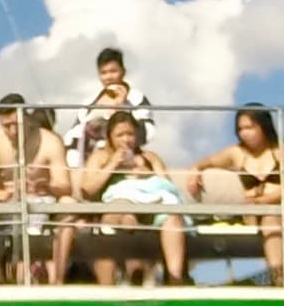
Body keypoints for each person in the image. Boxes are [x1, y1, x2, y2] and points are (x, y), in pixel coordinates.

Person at [184, 104, 284, 286]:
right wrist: (196, 170)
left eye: (250, 128)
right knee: (270, 219)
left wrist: (260, 200)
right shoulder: (236, 153)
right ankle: (279, 280)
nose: (244, 133)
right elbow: (208, 161)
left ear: (263, 126)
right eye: (240, 129)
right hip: (258, 213)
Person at [53, 109, 185, 285]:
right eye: (120, 135)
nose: (126, 139)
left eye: (130, 134)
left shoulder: (149, 157)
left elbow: (167, 185)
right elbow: (87, 189)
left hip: (151, 204)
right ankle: (133, 273)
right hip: (118, 207)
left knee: (173, 218)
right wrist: (113, 164)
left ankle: (175, 278)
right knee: (126, 216)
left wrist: (147, 173)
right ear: (110, 138)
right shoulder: (101, 157)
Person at [0, 96, 69, 282]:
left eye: (17, 124)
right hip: (4, 203)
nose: (13, 131)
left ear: (27, 118)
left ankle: (59, 279)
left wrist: (45, 185)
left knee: (69, 204)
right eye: (7, 125)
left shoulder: (51, 141)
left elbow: (65, 185)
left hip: (43, 202)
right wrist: (2, 194)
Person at [62, 47, 155, 167]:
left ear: (123, 71)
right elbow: (73, 133)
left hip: (122, 158)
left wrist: (121, 107)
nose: (109, 77)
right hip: (85, 161)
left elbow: (148, 132)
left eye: (113, 71)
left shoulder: (136, 98)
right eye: (104, 73)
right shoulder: (89, 103)